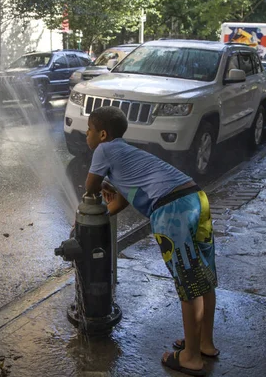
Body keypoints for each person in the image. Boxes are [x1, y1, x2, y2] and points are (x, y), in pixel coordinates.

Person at [83, 106, 218, 377]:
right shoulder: (127, 154)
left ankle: (191, 358)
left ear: (102, 134)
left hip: (172, 210)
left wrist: (99, 190)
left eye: (89, 130)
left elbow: (89, 187)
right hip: (195, 198)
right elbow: (122, 200)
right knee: (202, 276)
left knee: (188, 284)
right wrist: (104, 209)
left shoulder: (104, 150)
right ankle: (204, 343)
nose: (87, 135)